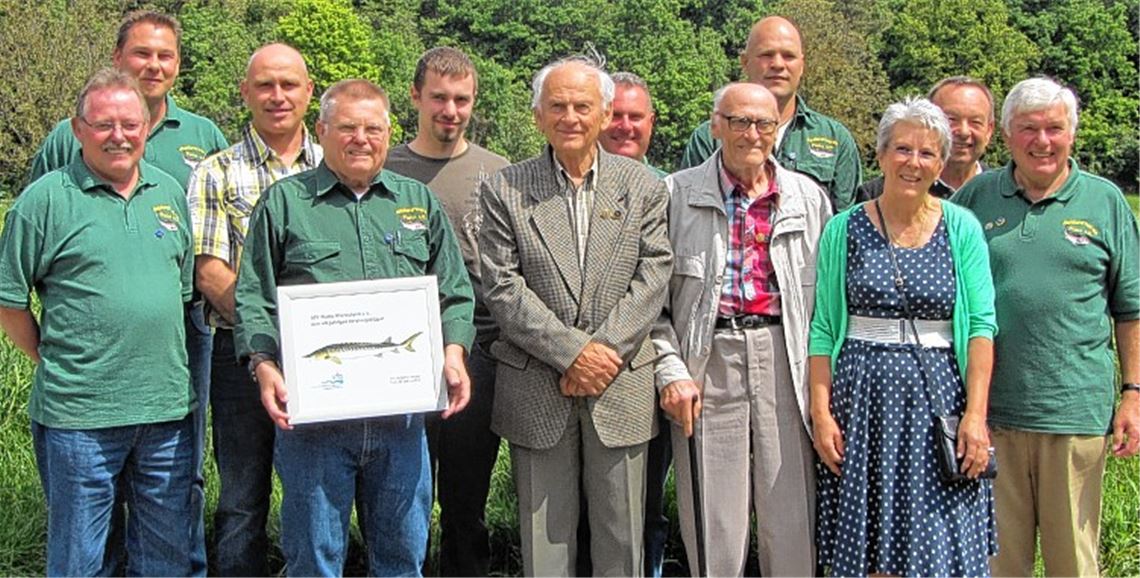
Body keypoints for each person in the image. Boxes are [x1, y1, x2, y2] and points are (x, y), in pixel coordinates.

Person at [235, 79, 475, 577]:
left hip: (403, 424)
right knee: (314, 560)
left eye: (372, 128)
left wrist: (453, 352)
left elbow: (454, 291)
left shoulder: (417, 203)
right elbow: (253, 297)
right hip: (314, 427)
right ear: (321, 131)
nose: (360, 138)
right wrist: (263, 365)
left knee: (402, 558)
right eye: (347, 127)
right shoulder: (284, 204)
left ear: (389, 134)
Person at [27, 13, 227, 572]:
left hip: (178, 343)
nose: (154, 65)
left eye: (165, 55)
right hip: (86, 367)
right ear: (118, 58)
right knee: (88, 512)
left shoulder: (200, 139)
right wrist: (55, 349)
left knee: (173, 484)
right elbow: (31, 249)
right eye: (141, 53)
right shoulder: (57, 164)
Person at [478, 57, 671, 577]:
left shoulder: (644, 186)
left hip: (620, 383)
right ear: (537, 115)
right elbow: (500, 284)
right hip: (538, 385)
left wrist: (602, 354)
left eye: (582, 106)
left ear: (606, 114)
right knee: (546, 545)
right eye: (556, 106)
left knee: (621, 538)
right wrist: (572, 354)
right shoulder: (504, 188)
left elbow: (655, 273)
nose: (570, 117)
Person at [0, 69, 196, 576]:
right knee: (81, 559)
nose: (119, 135)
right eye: (104, 123)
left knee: (165, 557)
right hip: (79, 419)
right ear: (78, 128)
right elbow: (8, 300)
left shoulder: (170, 194)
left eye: (130, 123)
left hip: (165, 414)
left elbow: (177, 293)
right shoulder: (45, 200)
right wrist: (51, 357)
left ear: (146, 128)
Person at [952, 77, 1139, 577]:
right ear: (1008, 134)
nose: (1043, 141)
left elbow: (1131, 308)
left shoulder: (1104, 202)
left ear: (1072, 134)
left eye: (1054, 128)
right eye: (1029, 128)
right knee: (997, 562)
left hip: (1073, 411)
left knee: (1073, 562)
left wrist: (1133, 394)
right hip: (991, 416)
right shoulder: (976, 197)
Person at [809, 97, 998, 576]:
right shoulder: (843, 229)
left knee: (935, 543)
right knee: (869, 547)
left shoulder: (962, 227)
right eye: (903, 149)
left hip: (936, 404)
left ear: (940, 163)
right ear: (881, 154)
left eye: (927, 153)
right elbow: (825, 327)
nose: (913, 163)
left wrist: (975, 415)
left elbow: (980, 325)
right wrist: (820, 410)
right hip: (862, 402)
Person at [650, 82, 830, 577]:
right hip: (707, 362)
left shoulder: (808, 199)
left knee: (791, 521)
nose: (752, 133)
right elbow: (652, 305)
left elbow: (828, 307)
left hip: (785, 360)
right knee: (715, 527)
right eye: (738, 122)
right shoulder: (676, 194)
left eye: (764, 123)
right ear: (715, 126)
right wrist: (671, 372)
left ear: (778, 128)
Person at [186, 42, 321, 577]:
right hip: (240, 357)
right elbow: (211, 272)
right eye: (265, 85)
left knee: (313, 493)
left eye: (289, 84)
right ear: (245, 93)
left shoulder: (335, 164)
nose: (278, 96)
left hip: (324, 359)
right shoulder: (216, 172)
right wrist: (273, 340)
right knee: (242, 496)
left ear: (309, 92)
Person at [384, 46, 509, 577]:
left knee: (466, 503)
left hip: (478, 351)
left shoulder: (500, 173)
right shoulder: (385, 166)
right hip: (394, 354)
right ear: (415, 96)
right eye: (438, 97)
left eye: (461, 99)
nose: (450, 110)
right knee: (397, 502)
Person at [592, 69, 667, 578]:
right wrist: (586, 355)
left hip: (653, 365)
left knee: (646, 505)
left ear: (651, 123)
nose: (624, 126)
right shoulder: (561, 187)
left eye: (634, 117)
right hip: (577, 370)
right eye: (614, 115)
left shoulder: (669, 188)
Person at [679, 16, 861, 211]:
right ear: (745, 62)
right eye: (766, 54)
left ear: (802, 65)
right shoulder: (709, 137)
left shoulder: (835, 139)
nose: (778, 64)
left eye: (788, 56)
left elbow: (845, 227)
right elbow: (689, 210)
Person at [857, 77, 995, 202]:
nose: (964, 131)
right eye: (951, 120)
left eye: (975, 122)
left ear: (989, 131)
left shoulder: (1002, 192)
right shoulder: (876, 195)